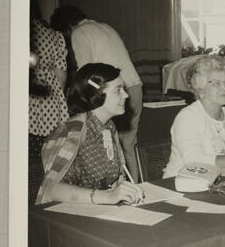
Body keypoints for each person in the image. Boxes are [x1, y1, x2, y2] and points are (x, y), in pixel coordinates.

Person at [50, 6, 143, 182]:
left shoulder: (79, 32)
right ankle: (135, 188)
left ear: (67, 27)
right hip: (134, 87)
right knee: (127, 145)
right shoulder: (106, 27)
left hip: (110, 92)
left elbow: (86, 72)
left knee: (107, 146)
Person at [35, 63, 144, 206]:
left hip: (95, 211)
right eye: (118, 90)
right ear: (96, 94)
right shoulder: (72, 131)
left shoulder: (109, 127)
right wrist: (107, 197)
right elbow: (51, 190)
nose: (126, 95)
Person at [162, 55, 225, 178]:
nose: (224, 88)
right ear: (200, 89)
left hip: (219, 183)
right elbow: (193, 160)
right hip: (181, 184)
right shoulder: (187, 118)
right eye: (216, 83)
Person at [29, 11, 69, 161]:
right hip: (50, 101)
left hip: (27, 98)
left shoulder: (18, 29)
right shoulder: (53, 35)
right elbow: (61, 75)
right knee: (46, 155)